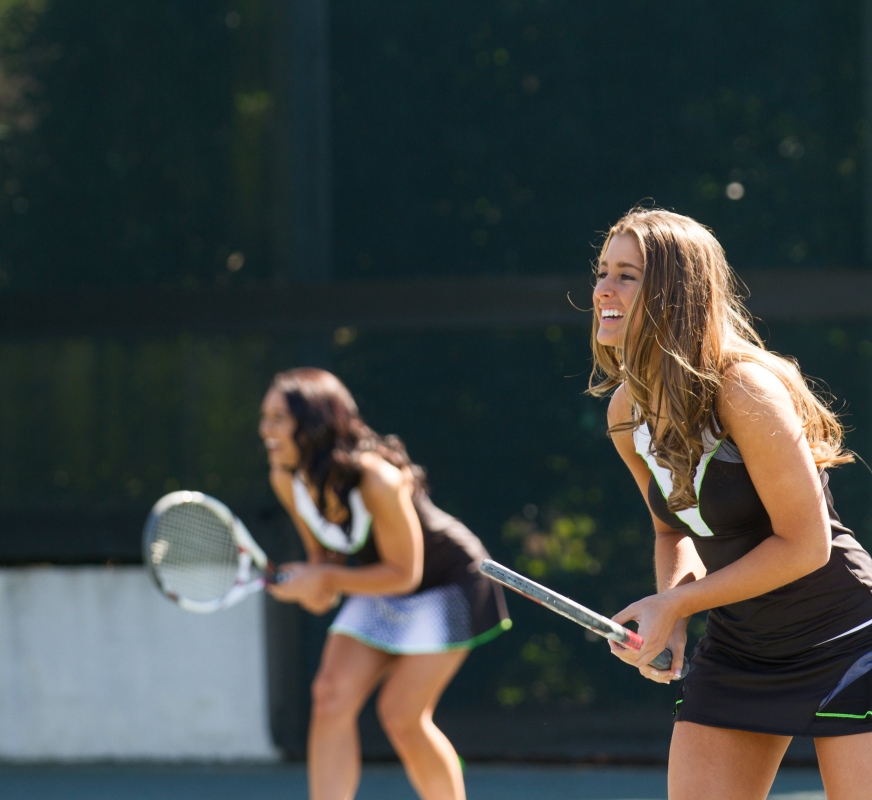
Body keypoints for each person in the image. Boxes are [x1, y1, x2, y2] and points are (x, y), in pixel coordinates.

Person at [590, 208, 872, 800]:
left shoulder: (745, 389)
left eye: (627, 275)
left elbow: (807, 545)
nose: (603, 291)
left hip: (848, 640)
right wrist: (673, 620)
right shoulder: (625, 413)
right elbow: (673, 532)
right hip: (742, 649)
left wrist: (676, 602)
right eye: (602, 272)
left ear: (674, 292)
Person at [259, 367, 510, 800]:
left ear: (314, 421)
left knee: (401, 714)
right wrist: (312, 589)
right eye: (265, 418)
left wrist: (324, 579)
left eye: (279, 418)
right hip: (382, 583)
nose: (266, 430)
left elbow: (404, 572)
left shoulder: (378, 479)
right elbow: (326, 562)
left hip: (450, 584)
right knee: (330, 697)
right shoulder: (286, 477)